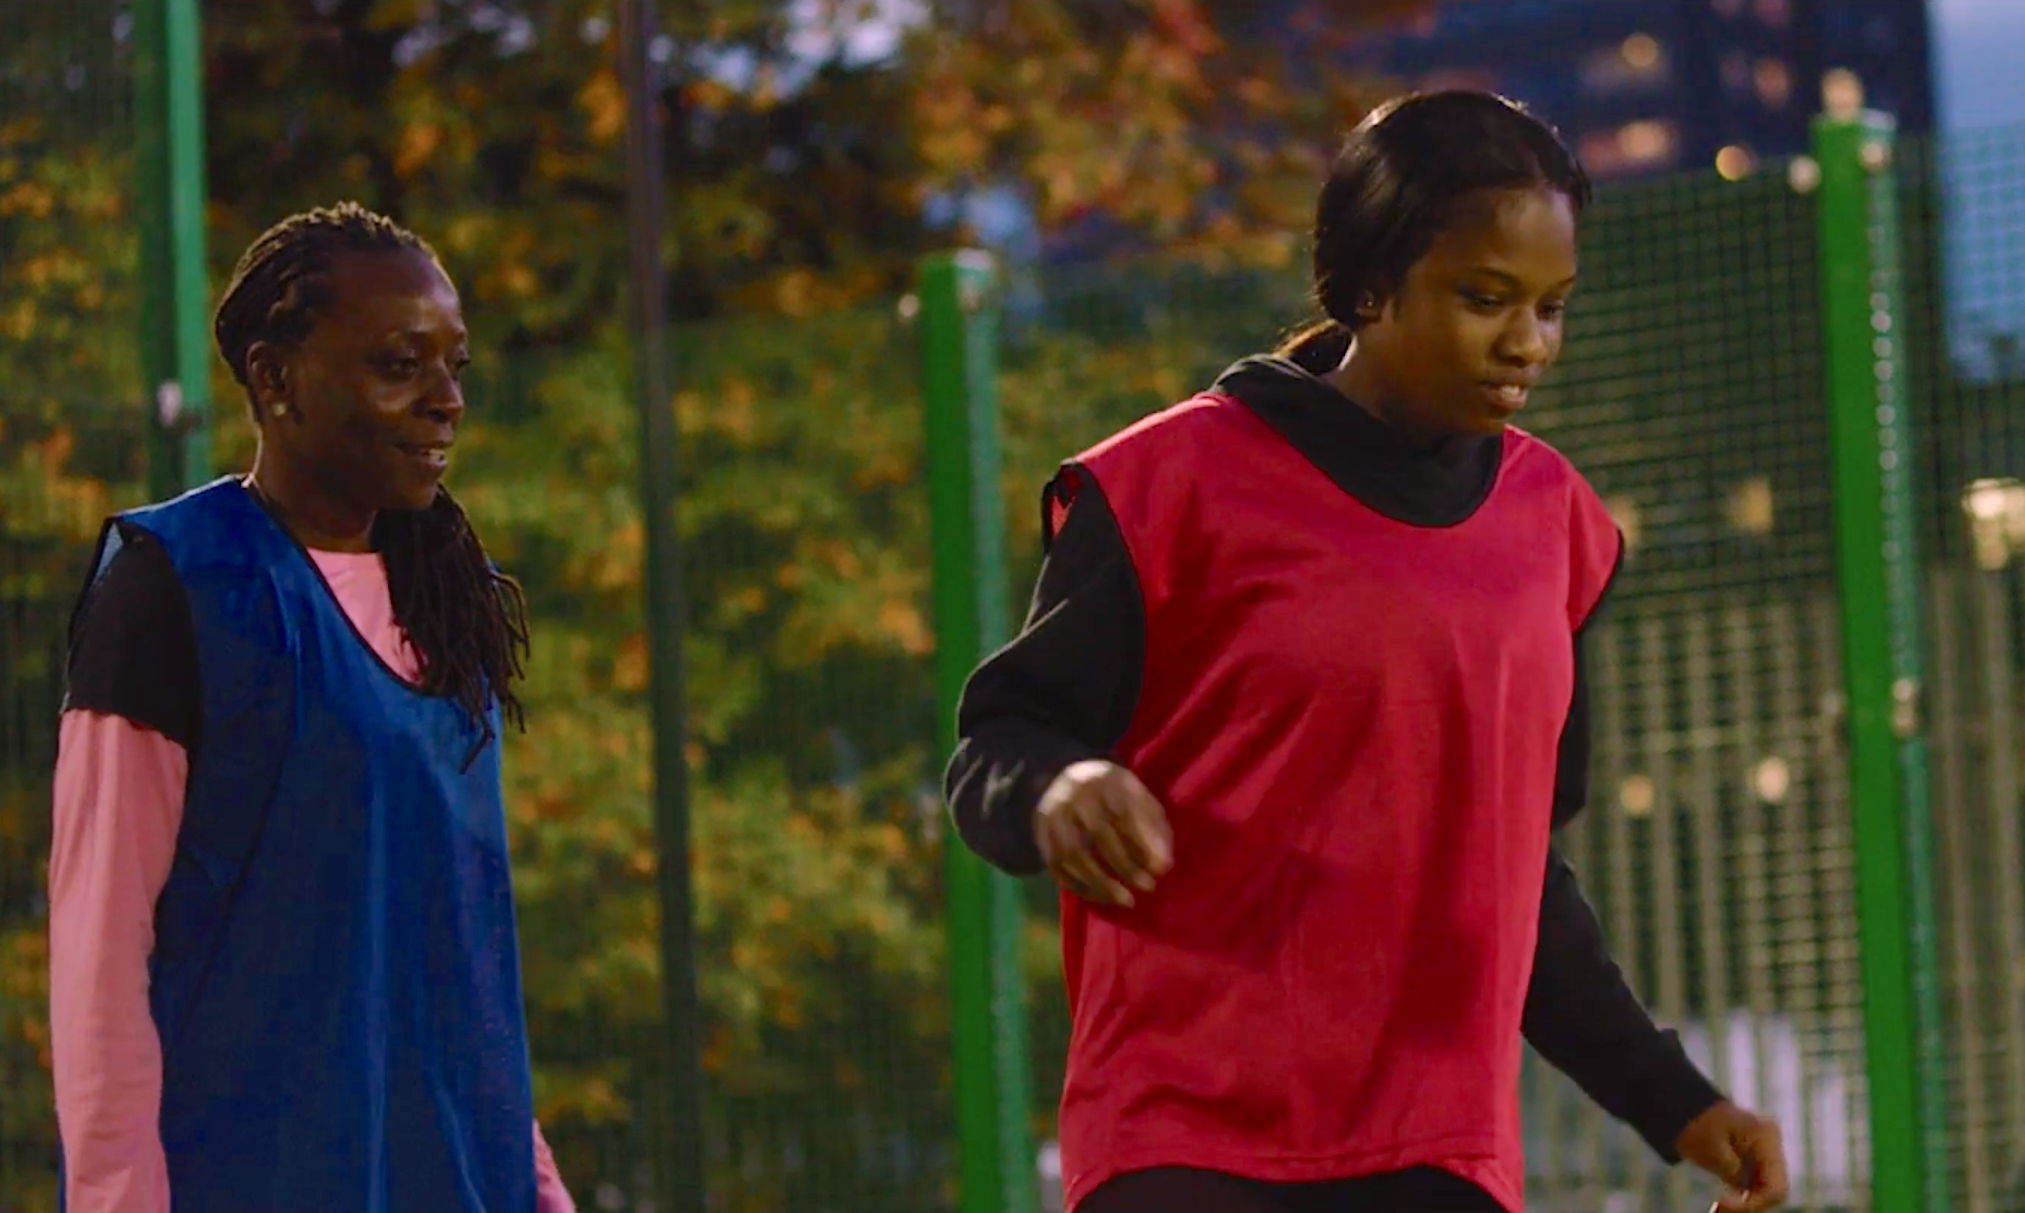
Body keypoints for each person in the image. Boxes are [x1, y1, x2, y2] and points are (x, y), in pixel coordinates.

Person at [945, 92, 1791, 1213]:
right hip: (1183, 1142)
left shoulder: (1560, 531)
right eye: (1486, 299)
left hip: (1439, 1154)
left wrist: (1672, 1099)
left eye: (1552, 307)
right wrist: (1060, 782)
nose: (1528, 343)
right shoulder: (1168, 489)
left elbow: (1512, 878)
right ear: (1367, 290)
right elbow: (993, 747)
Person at [48, 203, 576, 1213]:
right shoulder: (176, 585)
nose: (446, 401)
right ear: (274, 380)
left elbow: (456, 964)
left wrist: (536, 1184)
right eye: (398, 364)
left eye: (455, 365)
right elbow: (100, 954)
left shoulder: (449, 607)